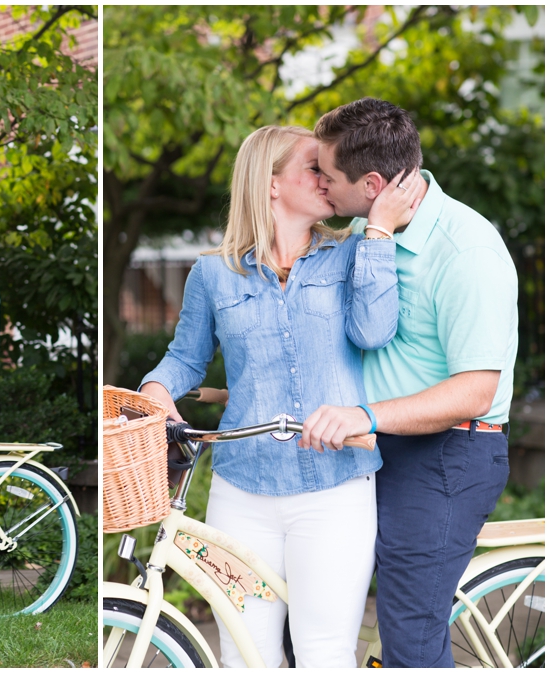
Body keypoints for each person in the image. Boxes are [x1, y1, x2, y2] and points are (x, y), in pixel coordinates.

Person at [140, 126, 419, 667]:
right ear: (270, 183)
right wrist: (155, 389)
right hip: (241, 489)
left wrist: (380, 231)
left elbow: (375, 331)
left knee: (324, 653)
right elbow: (185, 358)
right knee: (245, 654)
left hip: (336, 487)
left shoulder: (351, 254)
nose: (328, 179)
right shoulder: (212, 273)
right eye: (314, 167)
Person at [300, 98, 518, 667]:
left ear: (372, 183)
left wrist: (365, 415)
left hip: (452, 451)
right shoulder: (363, 232)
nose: (317, 182)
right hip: (380, 444)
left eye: (326, 173)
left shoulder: (466, 250)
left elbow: (474, 390)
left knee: (408, 634)